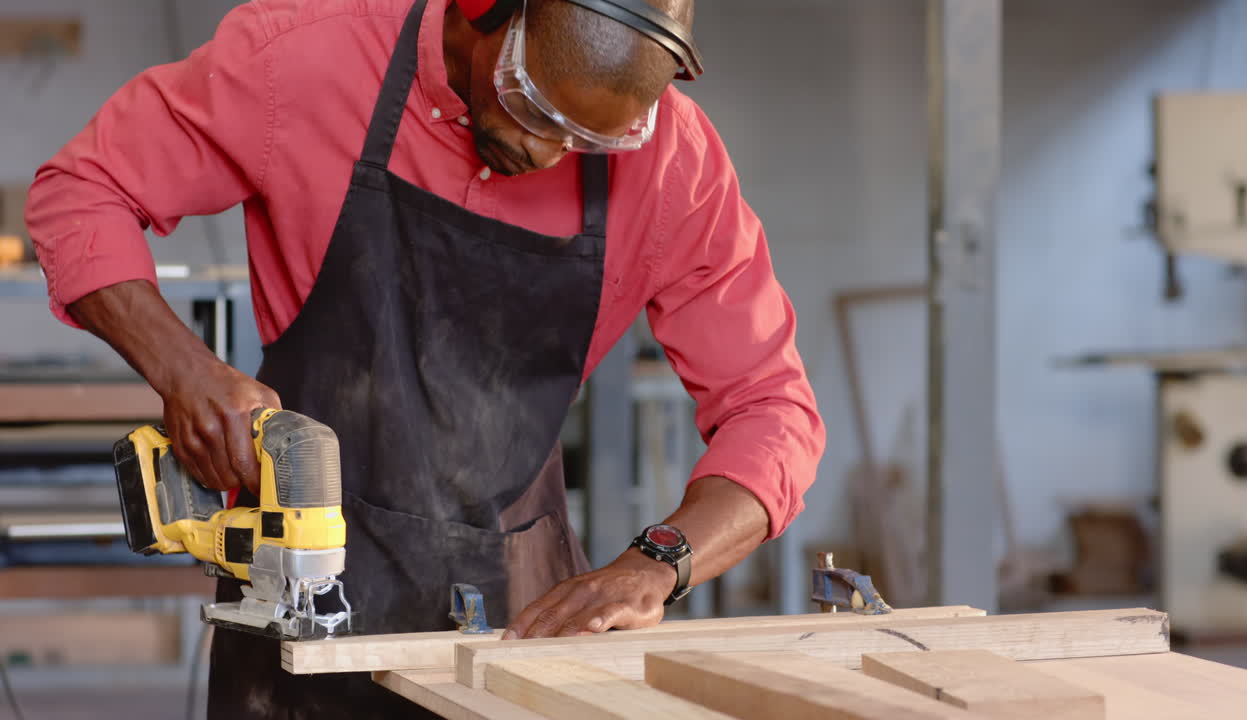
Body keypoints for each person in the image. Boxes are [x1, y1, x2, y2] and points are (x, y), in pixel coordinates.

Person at [24, 0, 825, 717]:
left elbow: (772, 408)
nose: (546, 153)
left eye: (586, 139)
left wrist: (661, 563)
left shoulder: (673, 163)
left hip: (523, 624)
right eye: (532, 106)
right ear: (487, 12)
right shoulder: (307, 59)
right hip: (299, 597)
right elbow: (82, 188)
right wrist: (185, 371)